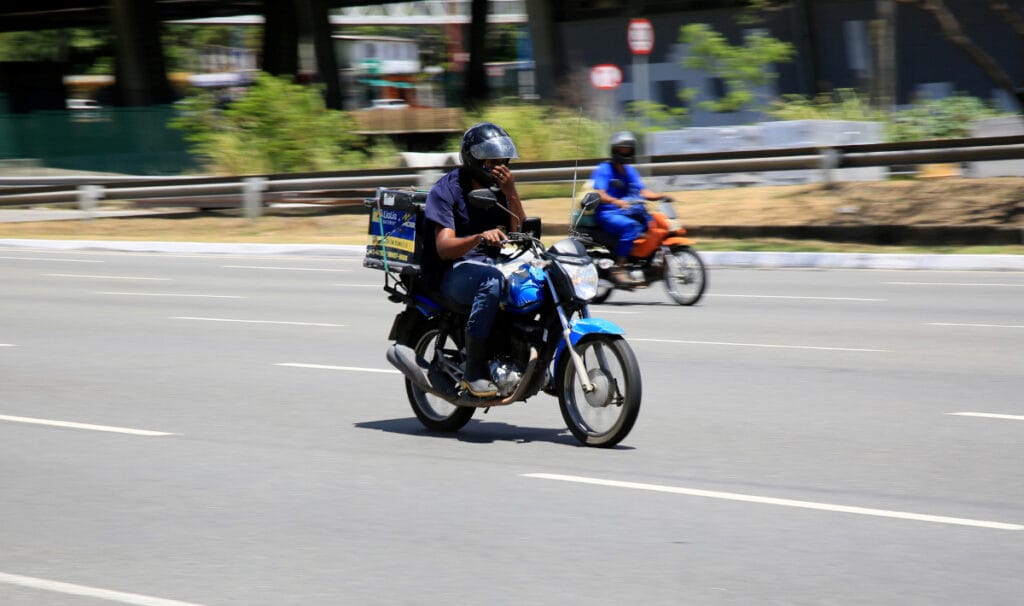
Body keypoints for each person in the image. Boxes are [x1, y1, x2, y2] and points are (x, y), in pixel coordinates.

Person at [421, 122, 526, 398]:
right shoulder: (446, 190)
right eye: (492, 161)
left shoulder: (500, 190)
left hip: (493, 263)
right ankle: (474, 371)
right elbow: (444, 247)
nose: (499, 166)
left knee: (538, 279)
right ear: (474, 159)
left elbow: (519, 231)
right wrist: (479, 237)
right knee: (490, 282)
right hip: (451, 271)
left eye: (503, 161)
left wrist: (511, 193)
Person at [590, 131, 673, 285]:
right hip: (607, 213)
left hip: (627, 211)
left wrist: (660, 196)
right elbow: (600, 194)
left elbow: (643, 191)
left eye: (628, 149)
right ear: (614, 150)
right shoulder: (604, 169)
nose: (625, 152)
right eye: (622, 149)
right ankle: (620, 267)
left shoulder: (630, 171)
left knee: (653, 225)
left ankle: (646, 263)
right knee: (631, 227)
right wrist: (616, 201)